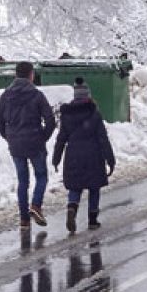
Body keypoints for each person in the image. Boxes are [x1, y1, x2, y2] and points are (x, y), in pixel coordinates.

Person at [0, 61, 56, 228]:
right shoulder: (36, 95)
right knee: (41, 176)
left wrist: (10, 137)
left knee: (23, 181)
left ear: (15, 75)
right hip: (35, 141)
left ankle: (24, 219)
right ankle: (35, 205)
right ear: (31, 75)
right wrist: (43, 137)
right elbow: (51, 120)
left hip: (16, 145)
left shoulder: (5, 96)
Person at [52, 78, 116, 233]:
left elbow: (61, 138)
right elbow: (103, 138)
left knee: (75, 187)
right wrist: (110, 159)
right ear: (87, 95)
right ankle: (93, 220)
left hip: (73, 155)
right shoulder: (94, 113)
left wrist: (56, 158)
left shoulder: (67, 115)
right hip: (93, 155)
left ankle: (72, 207)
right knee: (94, 188)